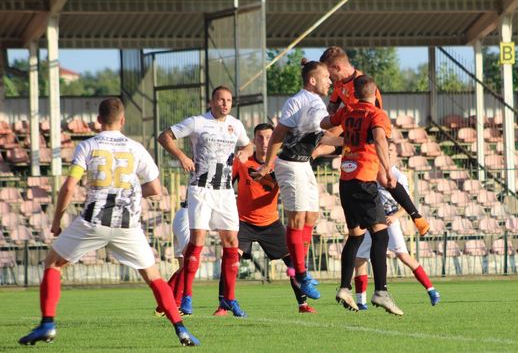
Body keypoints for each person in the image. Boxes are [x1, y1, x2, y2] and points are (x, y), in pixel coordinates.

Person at [18, 98, 199, 347]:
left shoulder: (88, 146)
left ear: (98, 120)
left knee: (53, 263)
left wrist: (57, 220)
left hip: (93, 220)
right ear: (122, 121)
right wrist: (127, 193)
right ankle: (181, 330)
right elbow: (156, 189)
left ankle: (47, 324)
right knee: (154, 277)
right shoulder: (136, 148)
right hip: (127, 224)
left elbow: (69, 186)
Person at [158, 86, 252, 318]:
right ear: (212, 102)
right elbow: (164, 136)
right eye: (221, 100)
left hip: (225, 192)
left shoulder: (235, 125)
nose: (225, 104)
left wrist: (245, 152)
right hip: (201, 189)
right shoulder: (197, 122)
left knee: (232, 241)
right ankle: (187, 297)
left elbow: (247, 144)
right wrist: (182, 156)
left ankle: (229, 298)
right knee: (198, 240)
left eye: (228, 100)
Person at [319, 46, 429, 237]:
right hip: (355, 134)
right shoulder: (340, 83)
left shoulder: (361, 85)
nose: (329, 79)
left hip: (369, 135)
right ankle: (415, 216)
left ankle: (416, 216)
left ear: (337, 67)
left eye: (329, 74)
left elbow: (364, 120)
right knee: (381, 178)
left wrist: (323, 135)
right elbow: (333, 107)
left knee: (384, 177)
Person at [320, 76, 403, 316]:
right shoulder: (377, 114)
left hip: (346, 180)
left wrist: (333, 122)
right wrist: (388, 170)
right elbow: (379, 139)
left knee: (355, 235)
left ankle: (345, 288)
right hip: (365, 179)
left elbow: (325, 122)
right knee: (381, 234)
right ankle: (381, 292)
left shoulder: (348, 111)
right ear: (375, 93)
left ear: (355, 93)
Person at [213, 123, 316, 315]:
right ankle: (223, 305)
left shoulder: (281, 163)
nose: (265, 141)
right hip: (244, 222)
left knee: (295, 261)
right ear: (253, 140)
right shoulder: (242, 162)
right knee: (231, 259)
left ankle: (303, 304)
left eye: (269, 137)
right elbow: (225, 185)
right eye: (260, 137)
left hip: (271, 223)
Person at [254, 58, 332, 300]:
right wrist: (267, 164)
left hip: (304, 164)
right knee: (296, 218)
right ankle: (300, 274)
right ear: (313, 80)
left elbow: (323, 136)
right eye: (326, 77)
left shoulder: (317, 102)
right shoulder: (298, 101)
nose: (329, 81)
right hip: (289, 164)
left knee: (311, 216)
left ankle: (301, 269)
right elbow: (279, 132)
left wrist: (352, 137)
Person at [354, 142, 441, 309]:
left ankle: (431, 290)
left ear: (395, 156)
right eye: (385, 150)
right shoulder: (371, 171)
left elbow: (407, 202)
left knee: (403, 255)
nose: (387, 153)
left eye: (391, 151)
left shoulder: (398, 176)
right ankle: (361, 301)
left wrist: (394, 217)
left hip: (389, 220)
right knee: (360, 259)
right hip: (371, 219)